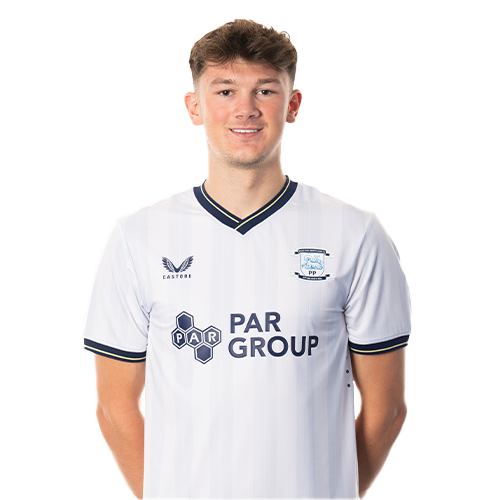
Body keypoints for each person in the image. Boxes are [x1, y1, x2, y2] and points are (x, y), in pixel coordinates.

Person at [83, 18, 411, 500]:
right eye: (225, 91)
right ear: (194, 107)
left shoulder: (356, 233)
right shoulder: (138, 237)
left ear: (292, 105)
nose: (246, 109)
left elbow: (387, 409)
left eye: (265, 91)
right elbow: (114, 409)